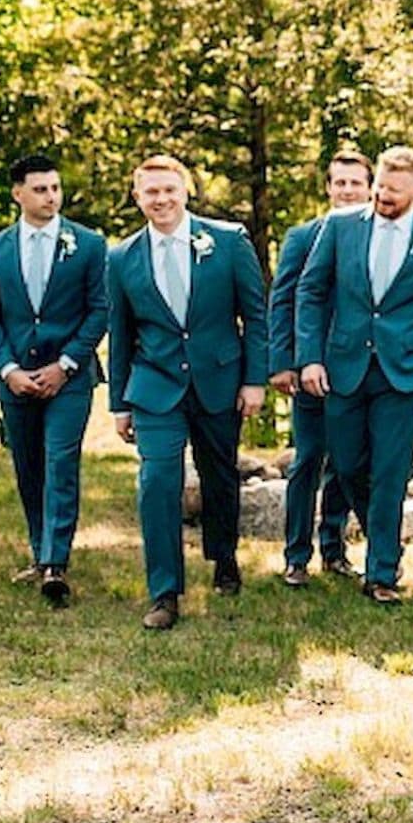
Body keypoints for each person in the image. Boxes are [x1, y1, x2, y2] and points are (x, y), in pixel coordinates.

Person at [106, 155, 267, 629]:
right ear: (138, 198)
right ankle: (164, 592)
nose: (161, 199)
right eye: (151, 192)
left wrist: (255, 379)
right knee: (157, 483)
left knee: (219, 476)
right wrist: (119, 403)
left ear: (185, 191)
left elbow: (255, 316)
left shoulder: (227, 241)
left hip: (218, 378)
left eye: (169, 190)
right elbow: (121, 331)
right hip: (155, 386)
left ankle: (224, 557)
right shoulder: (121, 258)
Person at [296, 146, 413, 605]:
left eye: (395, 191)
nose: (384, 196)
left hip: (403, 371)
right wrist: (309, 357)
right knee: (347, 465)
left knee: (390, 471)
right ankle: (386, 541)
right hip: (344, 364)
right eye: (381, 187)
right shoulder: (340, 226)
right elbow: (311, 291)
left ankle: (381, 571)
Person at [0, 154, 109, 605]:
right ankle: (39, 549)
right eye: (40, 189)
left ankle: (56, 563)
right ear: (18, 193)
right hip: (16, 378)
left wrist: (66, 363)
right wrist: (8, 369)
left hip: (69, 376)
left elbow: (99, 311)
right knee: (28, 466)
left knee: (60, 460)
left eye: (55, 188)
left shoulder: (88, 245)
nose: (51, 197)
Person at [266, 150, 368, 587]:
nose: (347, 190)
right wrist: (284, 362)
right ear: (328, 187)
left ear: (369, 187)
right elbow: (283, 298)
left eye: (355, 183)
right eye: (339, 183)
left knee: (347, 462)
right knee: (307, 458)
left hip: (357, 371)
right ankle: (295, 555)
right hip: (309, 368)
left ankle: (335, 548)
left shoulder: (376, 237)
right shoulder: (303, 236)